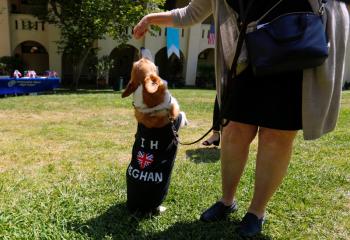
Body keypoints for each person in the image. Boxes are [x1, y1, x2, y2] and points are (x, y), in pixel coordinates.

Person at [133, 0, 349, 237]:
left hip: (297, 49)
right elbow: (190, 13)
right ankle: (227, 201)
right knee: (234, 131)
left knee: (275, 136)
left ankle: (256, 212)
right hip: (248, 54)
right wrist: (151, 18)